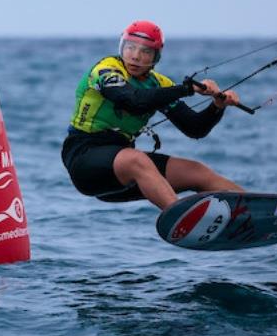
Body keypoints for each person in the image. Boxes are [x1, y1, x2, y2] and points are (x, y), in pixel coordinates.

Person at [61, 20, 244, 210]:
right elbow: (133, 100)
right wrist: (187, 89)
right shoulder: (106, 71)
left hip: (125, 172)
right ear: (122, 46)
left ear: (156, 57)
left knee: (196, 172)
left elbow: (195, 128)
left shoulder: (158, 84)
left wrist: (217, 106)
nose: (136, 56)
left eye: (146, 51)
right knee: (136, 159)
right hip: (84, 160)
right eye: (130, 47)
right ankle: (182, 217)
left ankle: (253, 211)